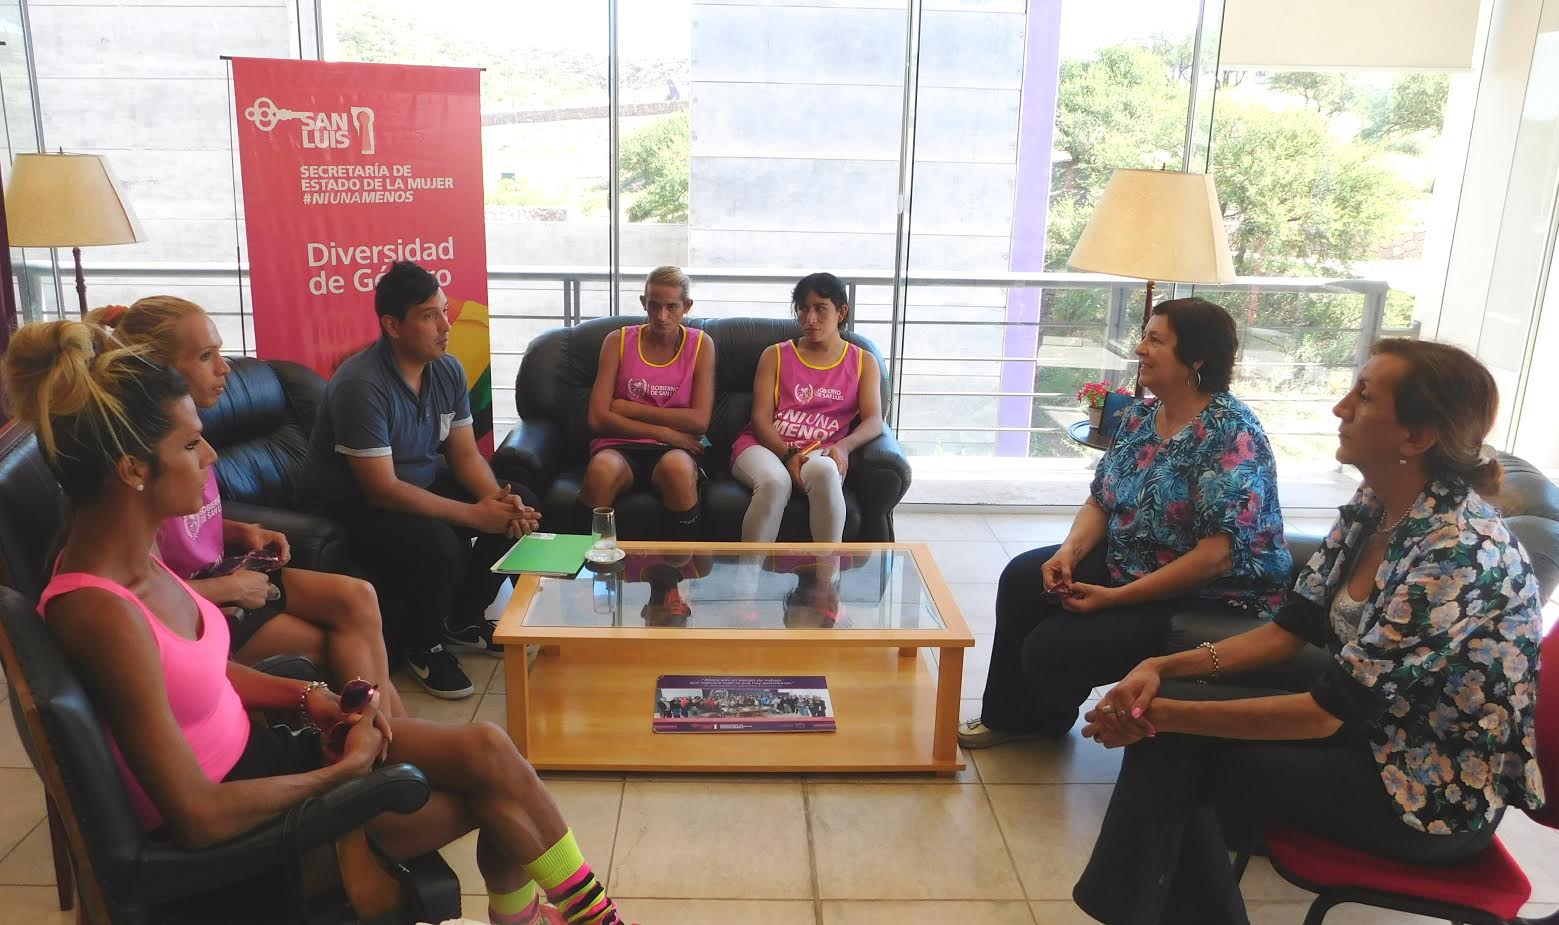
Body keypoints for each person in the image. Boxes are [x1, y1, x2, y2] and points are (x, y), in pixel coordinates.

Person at [3, 319, 633, 925]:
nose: (211, 455)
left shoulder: (133, 557)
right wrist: (339, 774)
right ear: (132, 470)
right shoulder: (98, 610)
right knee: (495, 794)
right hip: (255, 843)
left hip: (275, 757)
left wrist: (311, 697)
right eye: (191, 443)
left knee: (491, 751)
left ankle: (567, 917)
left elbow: (190, 675)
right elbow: (197, 816)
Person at [1071, 339, 1545, 925]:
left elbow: (1325, 713)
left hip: (1423, 789)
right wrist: (1160, 670)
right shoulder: (1378, 501)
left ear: (1417, 437)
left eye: (1364, 397)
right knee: (1173, 725)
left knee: (1170, 749)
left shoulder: (1457, 555)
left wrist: (1156, 716)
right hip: (1373, 729)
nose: (1339, 408)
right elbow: (1285, 633)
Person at [959, 298, 1292, 749]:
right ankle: (1017, 719)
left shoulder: (1232, 434)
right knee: (1023, 577)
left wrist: (1115, 599)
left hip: (1210, 593)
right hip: (1135, 560)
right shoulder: (1139, 416)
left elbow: (1215, 558)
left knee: (1051, 651)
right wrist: (1069, 553)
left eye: (1155, 340)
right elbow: (1101, 501)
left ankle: (1045, 710)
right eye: (1144, 337)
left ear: (1196, 358)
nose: (1140, 349)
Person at [88, 297, 405, 718]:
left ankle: (394, 735)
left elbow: (186, 524)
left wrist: (241, 531)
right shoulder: (149, 464)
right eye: (206, 356)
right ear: (158, 371)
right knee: (333, 647)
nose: (225, 368)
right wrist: (231, 588)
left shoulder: (191, 435)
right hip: (203, 606)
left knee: (359, 597)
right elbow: (142, 595)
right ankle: (392, 738)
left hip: (227, 572)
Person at [297, 261, 540, 700]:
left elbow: (465, 455)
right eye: (430, 316)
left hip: (414, 484)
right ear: (392, 325)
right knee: (438, 542)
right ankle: (423, 645)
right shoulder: (361, 384)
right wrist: (472, 515)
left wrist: (497, 503)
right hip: (352, 503)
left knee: (517, 501)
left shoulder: (446, 369)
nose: (446, 326)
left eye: (445, 311)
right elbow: (381, 488)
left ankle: (463, 619)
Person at [730, 272, 883, 542]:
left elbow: (874, 421)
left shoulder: (863, 362)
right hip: (764, 447)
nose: (810, 318)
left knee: (825, 471)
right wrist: (788, 455)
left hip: (820, 450)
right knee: (774, 482)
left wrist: (844, 447)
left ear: (841, 311)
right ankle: (748, 581)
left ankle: (826, 580)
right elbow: (760, 418)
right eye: (803, 308)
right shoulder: (775, 355)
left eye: (820, 308)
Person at [581, 267, 714, 539]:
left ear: (686, 307)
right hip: (621, 445)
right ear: (643, 302)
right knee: (601, 470)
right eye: (654, 306)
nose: (661, 316)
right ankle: (581, 568)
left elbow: (700, 420)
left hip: (676, 450)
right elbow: (597, 418)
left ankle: (682, 572)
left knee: (677, 469)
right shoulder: (617, 341)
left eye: (671, 307)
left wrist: (629, 408)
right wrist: (665, 432)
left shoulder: (701, 344)